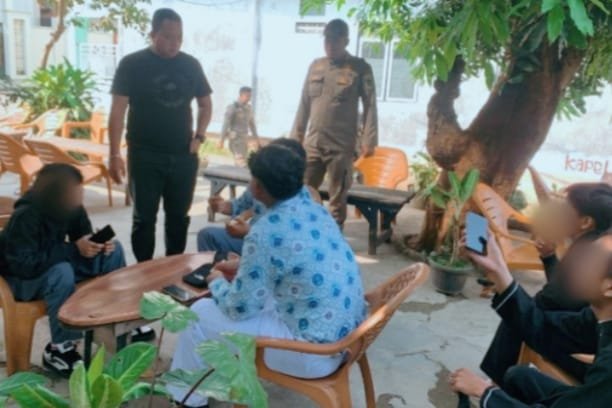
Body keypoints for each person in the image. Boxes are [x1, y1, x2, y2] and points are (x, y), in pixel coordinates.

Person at [169, 143, 366, 407]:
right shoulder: (315, 209)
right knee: (252, 298)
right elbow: (294, 265)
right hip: (345, 338)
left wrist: (216, 282)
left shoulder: (265, 232)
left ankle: (186, 400)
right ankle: (206, 381)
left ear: (258, 187)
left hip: (311, 354)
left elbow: (238, 308)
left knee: (198, 313)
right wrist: (245, 267)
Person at [450, 232, 612, 407]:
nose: (576, 265)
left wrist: (484, 392)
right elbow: (543, 327)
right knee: (520, 376)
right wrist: (497, 270)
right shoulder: (598, 318)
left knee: (496, 394)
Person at [0, 164, 126, 377]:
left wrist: (96, 244)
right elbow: (23, 264)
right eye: (75, 191)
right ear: (55, 193)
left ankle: (117, 322)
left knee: (114, 251)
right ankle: (59, 348)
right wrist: (73, 249)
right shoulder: (26, 215)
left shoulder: (70, 206)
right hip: (20, 281)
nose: (80, 195)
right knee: (62, 272)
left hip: (53, 267)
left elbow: (81, 235)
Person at [108, 8, 213, 262]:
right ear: (153, 34)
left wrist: (199, 137)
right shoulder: (132, 64)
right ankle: (144, 269)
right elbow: (118, 110)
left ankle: (172, 267)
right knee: (144, 218)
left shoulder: (191, 65)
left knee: (179, 217)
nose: (174, 43)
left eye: (179, 38)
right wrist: (114, 154)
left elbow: (205, 104)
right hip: (144, 155)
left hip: (183, 155)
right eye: (167, 37)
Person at [481, 183, 612, 384]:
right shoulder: (592, 244)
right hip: (575, 331)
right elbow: (564, 289)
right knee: (521, 310)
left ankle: (494, 383)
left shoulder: (593, 251)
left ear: (586, 222)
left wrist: (503, 278)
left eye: (565, 210)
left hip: (582, 355)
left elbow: (553, 298)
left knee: (521, 314)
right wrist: (549, 258)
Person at [291, 18, 378, 227]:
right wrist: (296, 136)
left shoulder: (360, 68)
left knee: (337, 201)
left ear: (346, 41)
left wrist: (369, 140)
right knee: (303, 193)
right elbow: (304, 102)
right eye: (327, 40)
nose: (330, 45)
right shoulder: (316, 66)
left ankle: (333, 238)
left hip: (341, 146)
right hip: (313, 143)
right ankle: (303, 233)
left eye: (335, 41)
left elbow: (370, 105)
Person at [198, 138, 308, 255]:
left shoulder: (299, 202)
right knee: (208, 235)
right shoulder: (261, 182)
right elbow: (239, 205)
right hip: (250, 237)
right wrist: (222, 206)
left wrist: (250, 233)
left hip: (273, 250)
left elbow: (286, 245)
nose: (251, 184)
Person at [218, 86, 260, 166]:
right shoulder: (232, 107)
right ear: (241, 95)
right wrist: (221, 140)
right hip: (236, 141)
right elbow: (225, 124)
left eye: (250, 96)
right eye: (247, 96)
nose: (249, 98)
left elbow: (252, 125)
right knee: (241, 163)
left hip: (244, 140)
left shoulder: (249, 109)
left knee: (241, 163)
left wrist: (256, 139)